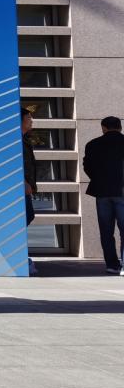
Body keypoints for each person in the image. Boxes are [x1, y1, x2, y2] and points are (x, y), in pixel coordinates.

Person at [82, 115, 124, 276]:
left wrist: (98, 179)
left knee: (106, 231)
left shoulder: (92, 144)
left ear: (103, 128)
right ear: (120, 127)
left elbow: (87, 166)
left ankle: (112, 265)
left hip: (102, 192)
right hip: (121, 191)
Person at [21, 107, 39, 276]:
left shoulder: (25, 139)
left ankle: (21, 255)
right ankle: (21, 256)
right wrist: (25, 183)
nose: (31, 120)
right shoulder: (16, 140)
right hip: (21, 188)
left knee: (28, 216)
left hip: (27, 187)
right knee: (27, 216)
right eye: (28, 117)